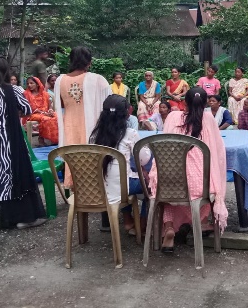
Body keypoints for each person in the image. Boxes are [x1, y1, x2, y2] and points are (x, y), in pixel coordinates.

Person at [148, 88, 228, 252]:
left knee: (168, 189)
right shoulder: (209, 118)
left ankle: (169, 227)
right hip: (199, 187)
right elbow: (219, 151)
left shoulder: (172, 116)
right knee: (209, 186)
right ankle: (201, 222)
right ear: (205, 104)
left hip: (172, 184)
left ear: (184, 102)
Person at [0, 54, 46, 229]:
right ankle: (24, 217)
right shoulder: (11, 90)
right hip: (10, 142)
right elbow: (27, 109)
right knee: (16, 176)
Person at [90, 95, 153, 235]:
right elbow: (143, 159)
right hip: (124, 186)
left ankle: (128, 219)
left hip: (99, 186)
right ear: (126, 114)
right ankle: (142, 223)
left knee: (121, 176)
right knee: (152, 183)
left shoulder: (94, 135)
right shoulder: (130, 134)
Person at [55, 46, 111, 189]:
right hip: (93, 127)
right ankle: (95, 191)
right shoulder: (97, 80)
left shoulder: (60, 81)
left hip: (69, 127)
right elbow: (109, 104)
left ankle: (78, 194)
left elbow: (61, 103)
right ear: (89, 62)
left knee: (74, 157)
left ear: (70, 61)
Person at [23, 76, 59, 145]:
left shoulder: (45, 94)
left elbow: (49, 105)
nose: (29, 85)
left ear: (37, 84)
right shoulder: (26, 94)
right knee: (46, 119)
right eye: (28, 84)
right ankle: (42, 139)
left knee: (57, 117)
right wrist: (44, 113)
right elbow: (29, 108)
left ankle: (55, 139)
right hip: (32, 114)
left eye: (31, 83)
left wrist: (50, 110)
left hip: (45, 113)